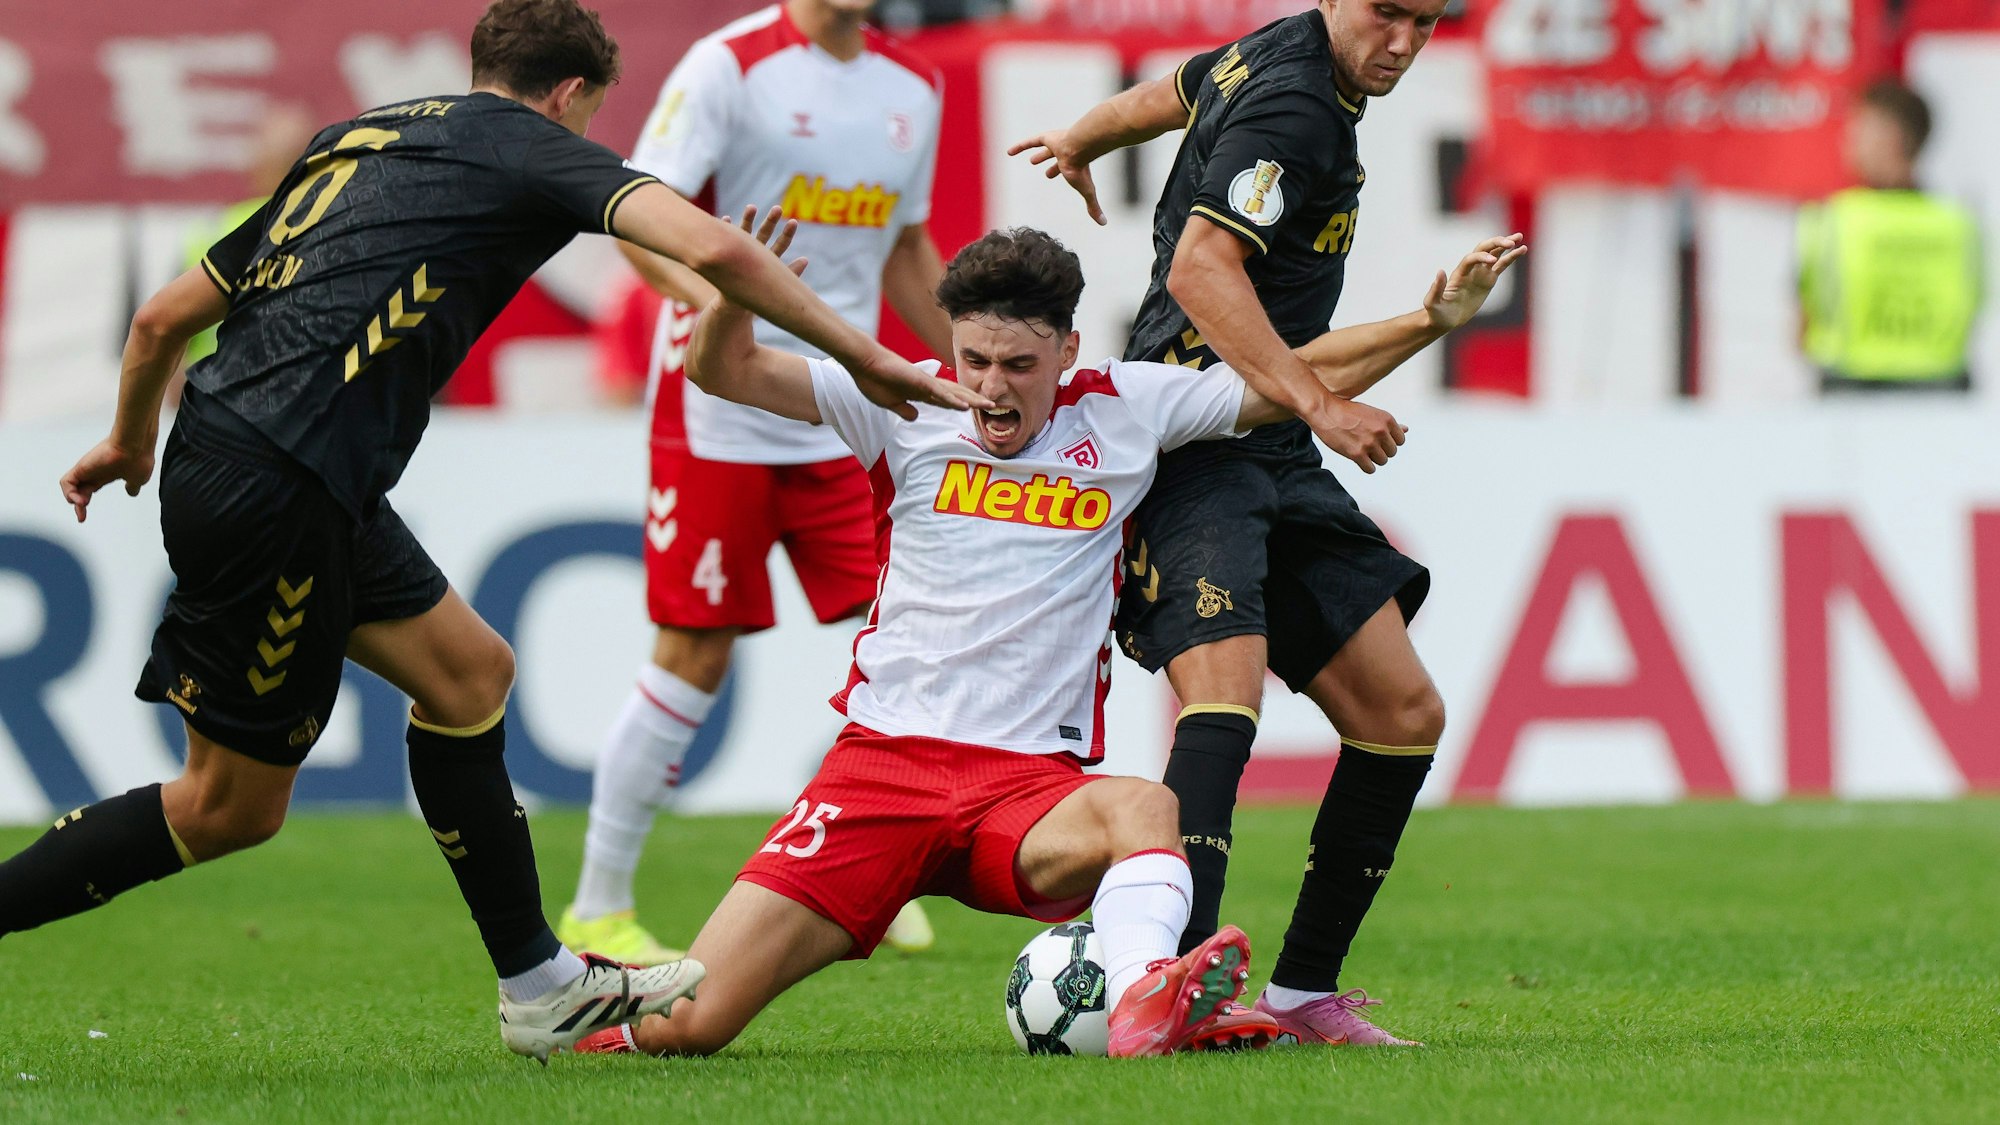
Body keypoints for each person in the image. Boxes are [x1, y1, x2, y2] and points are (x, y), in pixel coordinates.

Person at [5, 0, 980, 1062]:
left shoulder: (362, 134)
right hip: (281, 481)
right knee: (226, 807)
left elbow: (159, 318)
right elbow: (717, 251)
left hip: (264, 460)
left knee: (469, 675)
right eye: (585, 117)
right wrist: (866, 358)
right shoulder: (534, 149)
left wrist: (128, 440)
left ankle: (537, 986)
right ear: (569, 96)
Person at [571, 213, 1521, 1059]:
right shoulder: (898, 400)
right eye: (974, 359)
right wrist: (736, 299)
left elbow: (1294, 375)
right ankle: (560, 1004)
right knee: (685, 1025)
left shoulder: (1128, 407)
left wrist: (1430, 322)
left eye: (1018, 365)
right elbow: (722, 369)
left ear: (1067, 349)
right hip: (877, 777)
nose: (989, 388)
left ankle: (1149, 999)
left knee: (1147, 808)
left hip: (1024, 792)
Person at [1011, 0, 1525, 1046]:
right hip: (1197, 440)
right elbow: (1203, 269)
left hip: (1270, 439)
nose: (1403, 42)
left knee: (1400, 714)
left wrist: (1080, 137)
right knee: (1224, 695)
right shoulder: (1294, 106)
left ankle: (1299, 995)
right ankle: (1172, 993)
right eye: (1387, 15)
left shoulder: (1276, 55)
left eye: (1426, 23)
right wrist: (1322, 403)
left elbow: (1174, 92)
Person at [561, 0, 953, 965]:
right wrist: (732, 307)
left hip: (837, 411)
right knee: (694, 654)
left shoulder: (915, 87)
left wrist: (980, 379)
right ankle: (597, 905)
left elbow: (903, 247)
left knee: (906, 640)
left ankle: (864, 866)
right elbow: (639, 224)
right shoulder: (728, 65)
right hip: (718, 410)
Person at [1798, 79, 1982, 394]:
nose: (1848, 142)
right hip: (1943, 396)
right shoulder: (1958, 224)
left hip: (1851, 393)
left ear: (1892, 136)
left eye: (1860, 130)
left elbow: (1802, 324)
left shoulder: (1834, 219)